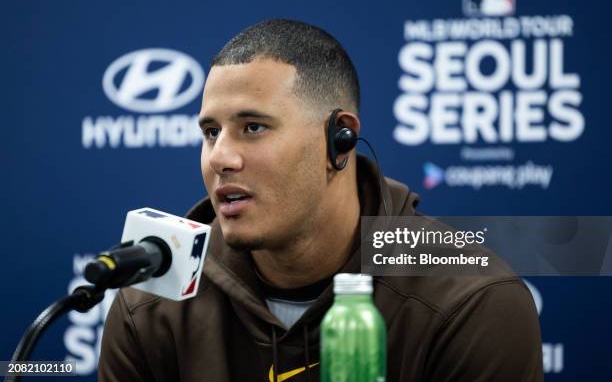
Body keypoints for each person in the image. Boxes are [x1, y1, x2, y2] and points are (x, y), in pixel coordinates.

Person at [99, 19, 543, 381]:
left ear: (340, 141)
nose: (221, 158)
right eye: (211, 132)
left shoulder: (469, 303)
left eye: (253, 127)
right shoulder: (152, 302)